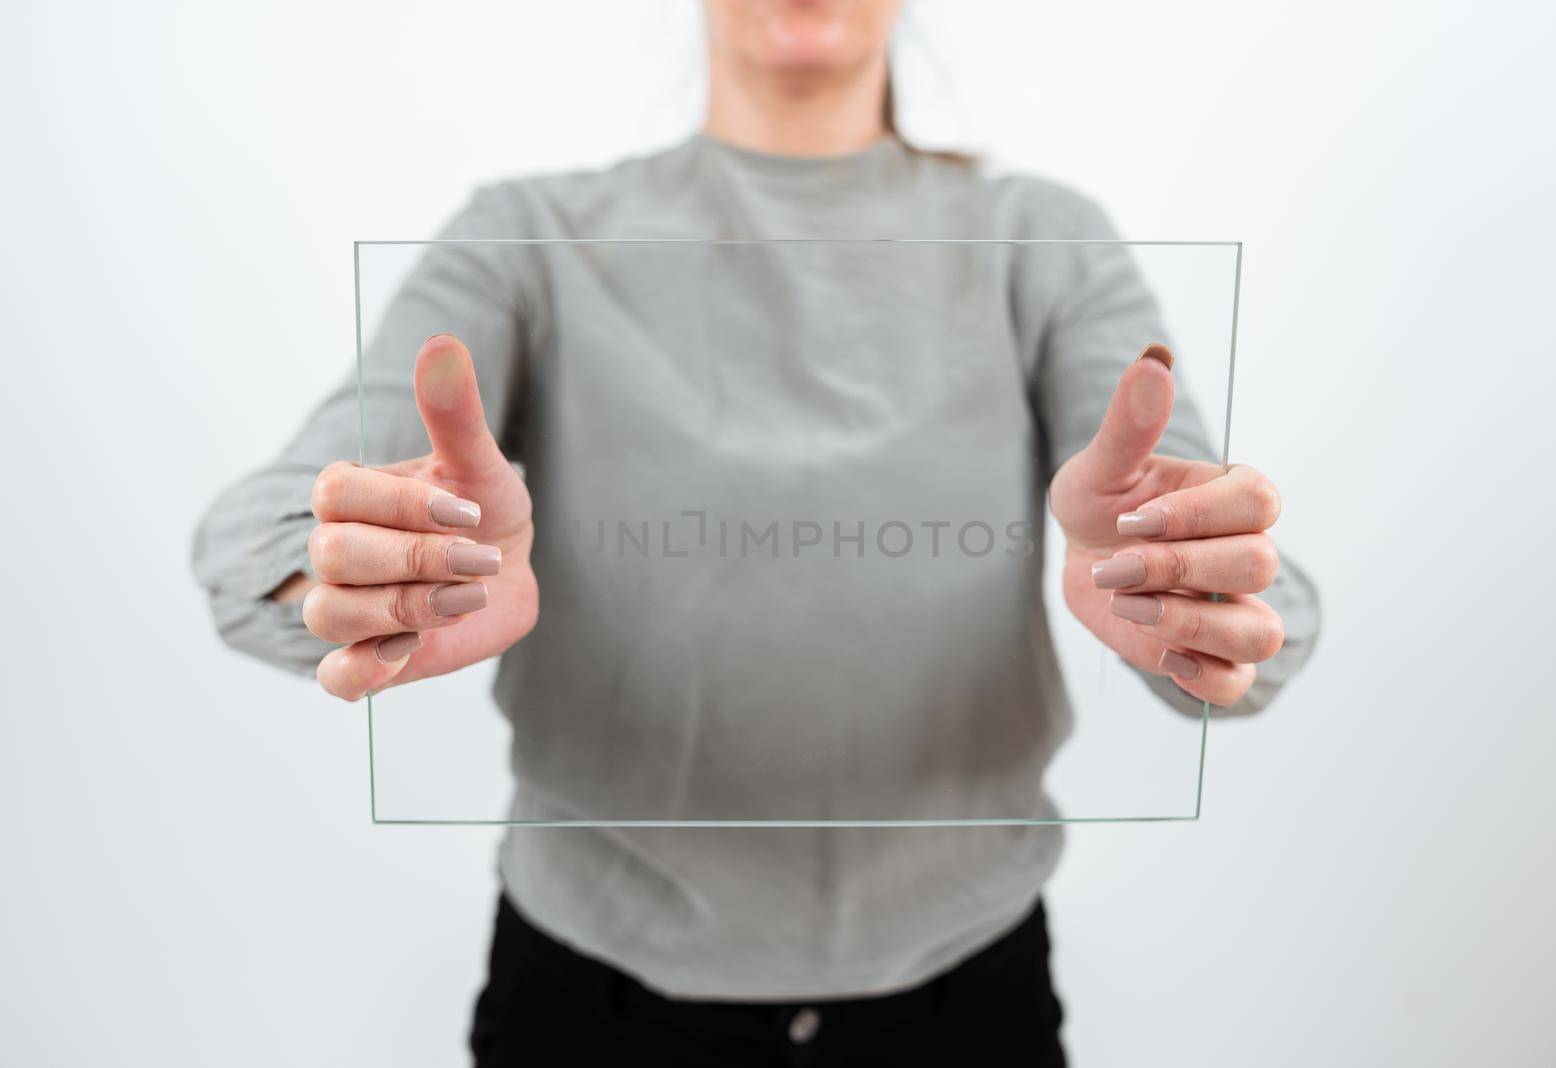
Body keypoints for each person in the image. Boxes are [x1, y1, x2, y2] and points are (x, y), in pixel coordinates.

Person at [193, 1, 1320, 1063]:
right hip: (590, 1004)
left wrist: (1185, 585)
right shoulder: (523, 236)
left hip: (967, 997)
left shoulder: (1043, 239)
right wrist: (365, 571)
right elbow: (258, 537)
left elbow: (1260, 603)